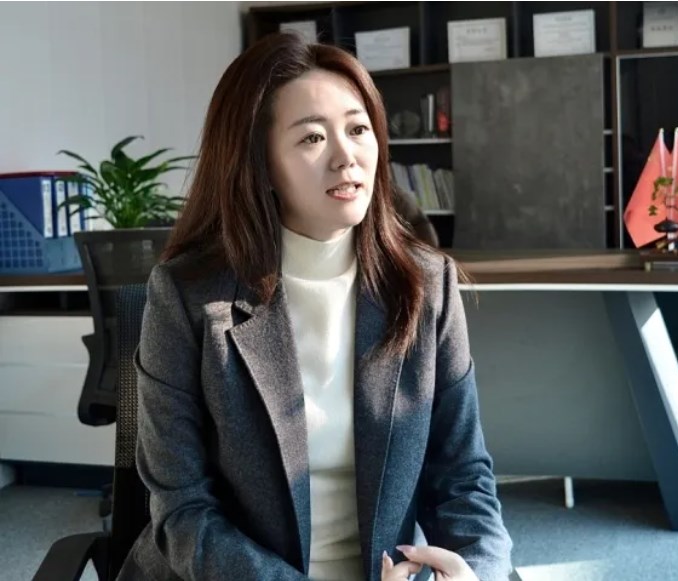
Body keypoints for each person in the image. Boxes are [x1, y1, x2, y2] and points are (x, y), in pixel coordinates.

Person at [116, 31, 514, 581]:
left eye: (358, 129)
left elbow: (463, 477)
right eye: (311, 138)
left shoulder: (426, 286)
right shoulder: (188, 296)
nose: (346, 157)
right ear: (259, 164)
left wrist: (477, 572)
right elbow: (183, 510)